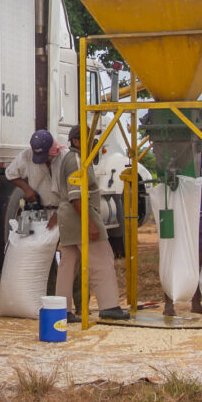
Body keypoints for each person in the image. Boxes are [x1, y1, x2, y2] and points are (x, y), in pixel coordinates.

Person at [52, 125, 130, 322]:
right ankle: (110, 306)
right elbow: (76, 197)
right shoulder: (76, 160)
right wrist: (90, 224)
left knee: (68, 264)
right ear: (77, 142)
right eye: (89, 138)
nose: (94, 142)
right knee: (102, 258)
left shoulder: (74, 158)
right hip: (79, 215)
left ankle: (62, 310)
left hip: (69, 218)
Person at [164, 108, 202, 316]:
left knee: (198, 258)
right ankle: (168, 304)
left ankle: (195, 303)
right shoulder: (179, 151)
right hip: (178, 210)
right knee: (172, 254)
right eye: (197, 124)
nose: (201, 128)